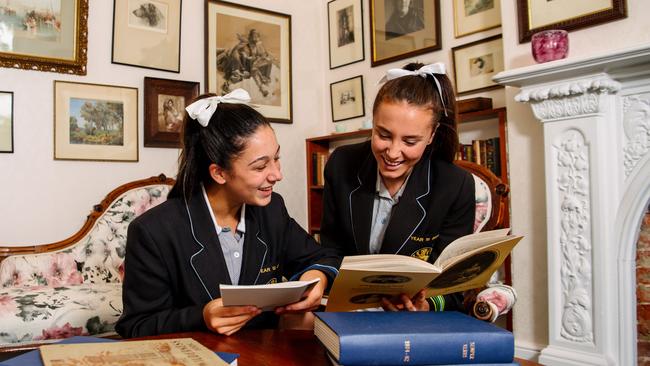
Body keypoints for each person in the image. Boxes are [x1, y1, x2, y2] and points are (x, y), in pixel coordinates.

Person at [116, 89, 340, 338]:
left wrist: (317, 276)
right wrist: (201, 317)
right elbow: (136, 326)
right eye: (261, 166)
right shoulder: (153, 231)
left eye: (276, 159)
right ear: (219, 173)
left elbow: (323, 257)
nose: (277, 174)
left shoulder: (272, 210)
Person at [320, 62, 513, 316]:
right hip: (347, 310)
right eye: (383, 135)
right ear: (373, 123)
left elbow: (454, 286)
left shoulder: (455, 185)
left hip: (415, 318)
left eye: (410, 141)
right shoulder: (341, 163)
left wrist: (425, 305)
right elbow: (330, 249)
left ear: (432, 134)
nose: (392, 152)